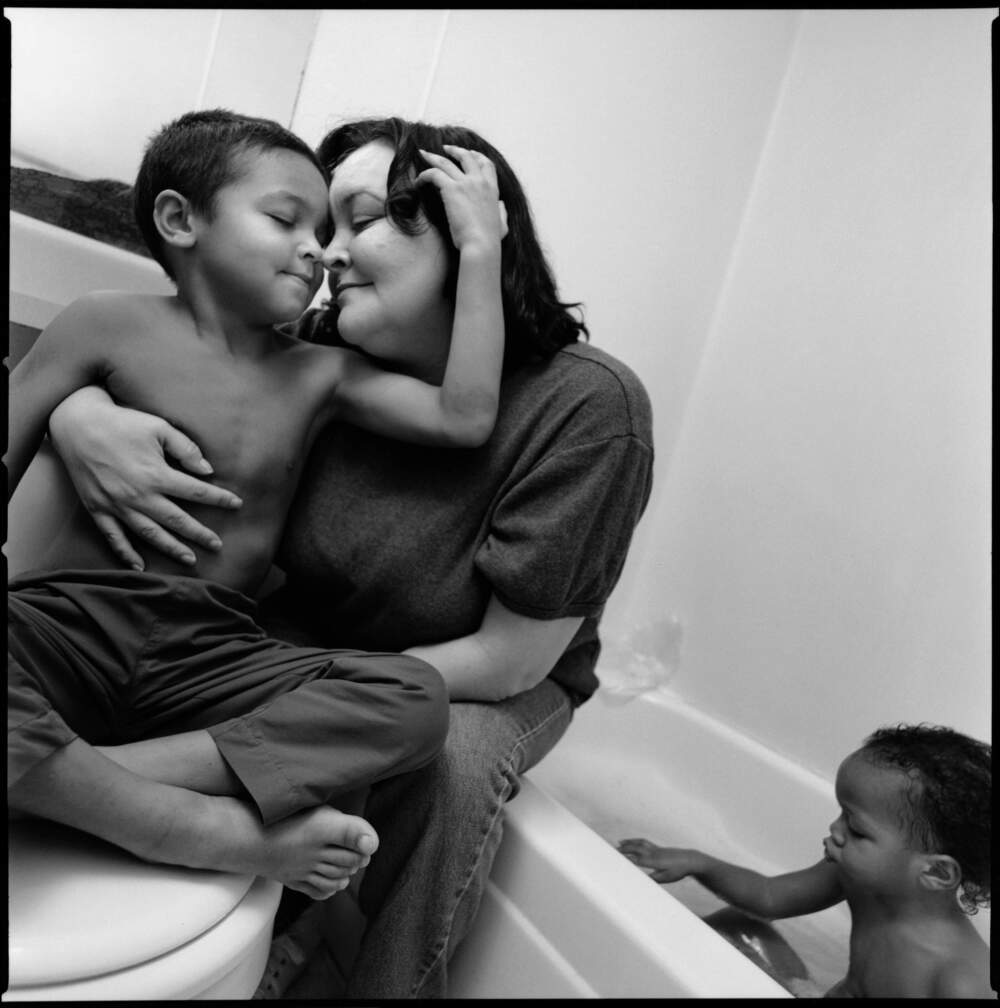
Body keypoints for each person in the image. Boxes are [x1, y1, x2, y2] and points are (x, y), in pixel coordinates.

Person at [41, 116, 656, 998]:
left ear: (465, 235)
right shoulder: (317, 354)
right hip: (300, 634)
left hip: (487, 673)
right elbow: (134, 350)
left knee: (450, 756)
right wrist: (80, 417)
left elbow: (511, 656)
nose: (325, 253)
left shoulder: (589, 407)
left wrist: (335, 706)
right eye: (316, 228)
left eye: (360, 219)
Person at [8, 108, 510, 901]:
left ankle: (67, 787)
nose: (318, 247)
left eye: (324, 228)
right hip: (64, 627)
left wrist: (480, 251)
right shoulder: (100, 321)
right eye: (286, 219)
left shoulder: (319, 373)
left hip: (208, 651)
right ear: (180, 220)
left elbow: (464, 415)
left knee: (412, 700)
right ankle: (176, 822)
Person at [619, 723, 993, 998]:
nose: (835, 828)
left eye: (857, 830)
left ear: (936, 871)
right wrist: (699, 863)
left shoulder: (960, 980)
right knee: (736, 925)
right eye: (842, 812)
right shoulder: (856, 878)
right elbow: (769, 896)